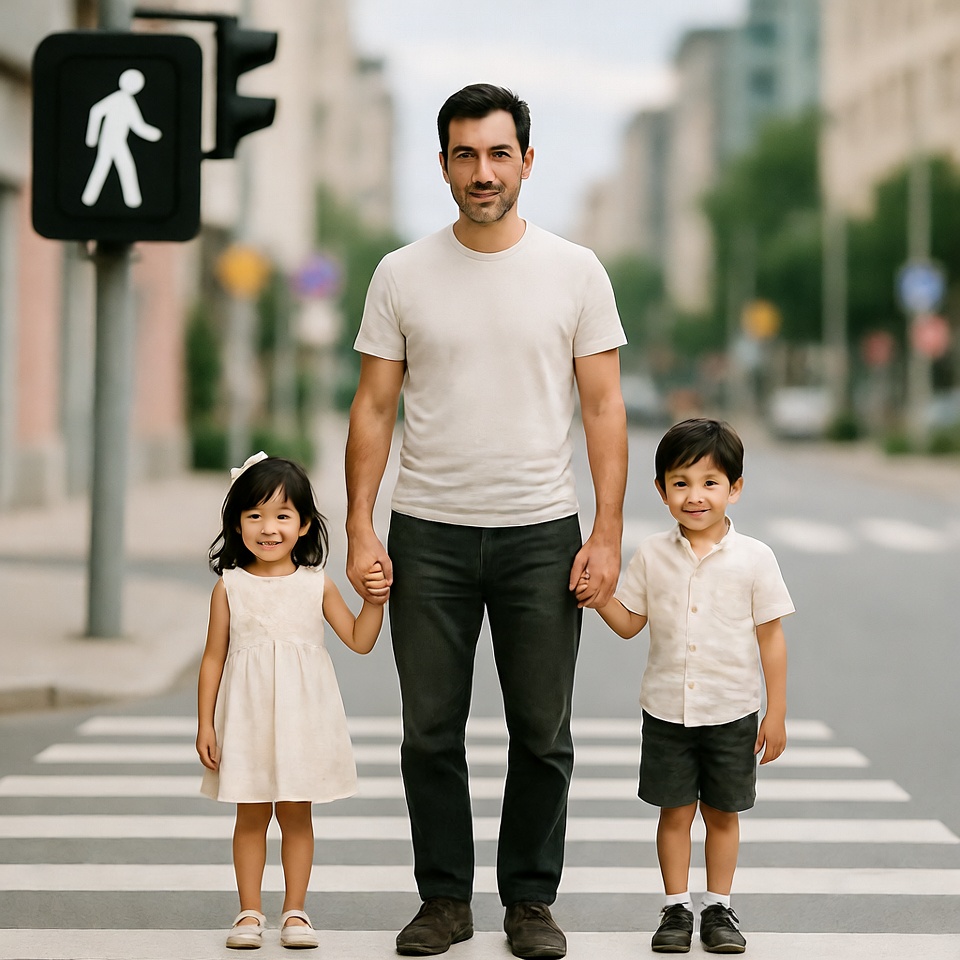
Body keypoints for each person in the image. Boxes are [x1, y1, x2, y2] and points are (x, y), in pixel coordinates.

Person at [345, 83, 627, 959]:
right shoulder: (401, 272)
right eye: (465, 154)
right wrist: (360, 525)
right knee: (430, 732)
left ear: (527, 162)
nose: (482, 171)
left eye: (499, 153)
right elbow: (373, 409)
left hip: (542, 531)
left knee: (542, 734)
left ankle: (530, 904)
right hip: (426, 531)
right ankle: (444, 901)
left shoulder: (576, 270)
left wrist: (608, 533)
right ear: (443, 165)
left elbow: (607, 408)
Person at [579, 419, 793, 955]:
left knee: (722, 813)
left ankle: (718, 906)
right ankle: (676, 907)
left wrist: (777, 713)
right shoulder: (651, 553)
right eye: (681, 483)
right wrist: (597, 594)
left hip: (733, 711)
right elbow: (631, 622)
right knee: (674, 812)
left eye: (710, 482)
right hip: (668, 710)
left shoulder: (755, 558)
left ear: (735, 488)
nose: (695, 496)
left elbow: (772, 639)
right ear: (661, 490)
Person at [196, 452, 387, 950]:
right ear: (237, 525)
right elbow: (214, 658)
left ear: (304, 525)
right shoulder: (230, 587)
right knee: (251, 815)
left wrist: (374, 601)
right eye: (254, 515)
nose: (268, 527)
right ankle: (248, 912)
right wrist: (206, 725)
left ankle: (295, 912)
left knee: (297, 816)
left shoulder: (315, 584)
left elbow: (359, 639)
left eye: (282, 515)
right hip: (247, 719)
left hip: (303, 721)